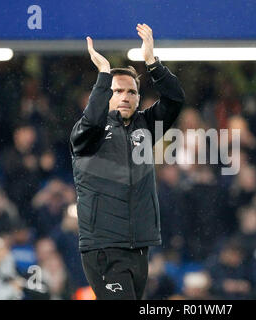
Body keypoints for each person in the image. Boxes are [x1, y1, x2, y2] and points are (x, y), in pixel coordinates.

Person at [70, 23, 185, 300]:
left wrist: (151, 62)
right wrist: (102, 74)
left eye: (131, 92)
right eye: (117, 91)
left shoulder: (145, 125)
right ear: (105, 95)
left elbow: (174, 99)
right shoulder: (87, 133)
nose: (125, 96)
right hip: (104, 247)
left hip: (139, 247)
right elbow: (93, 119)